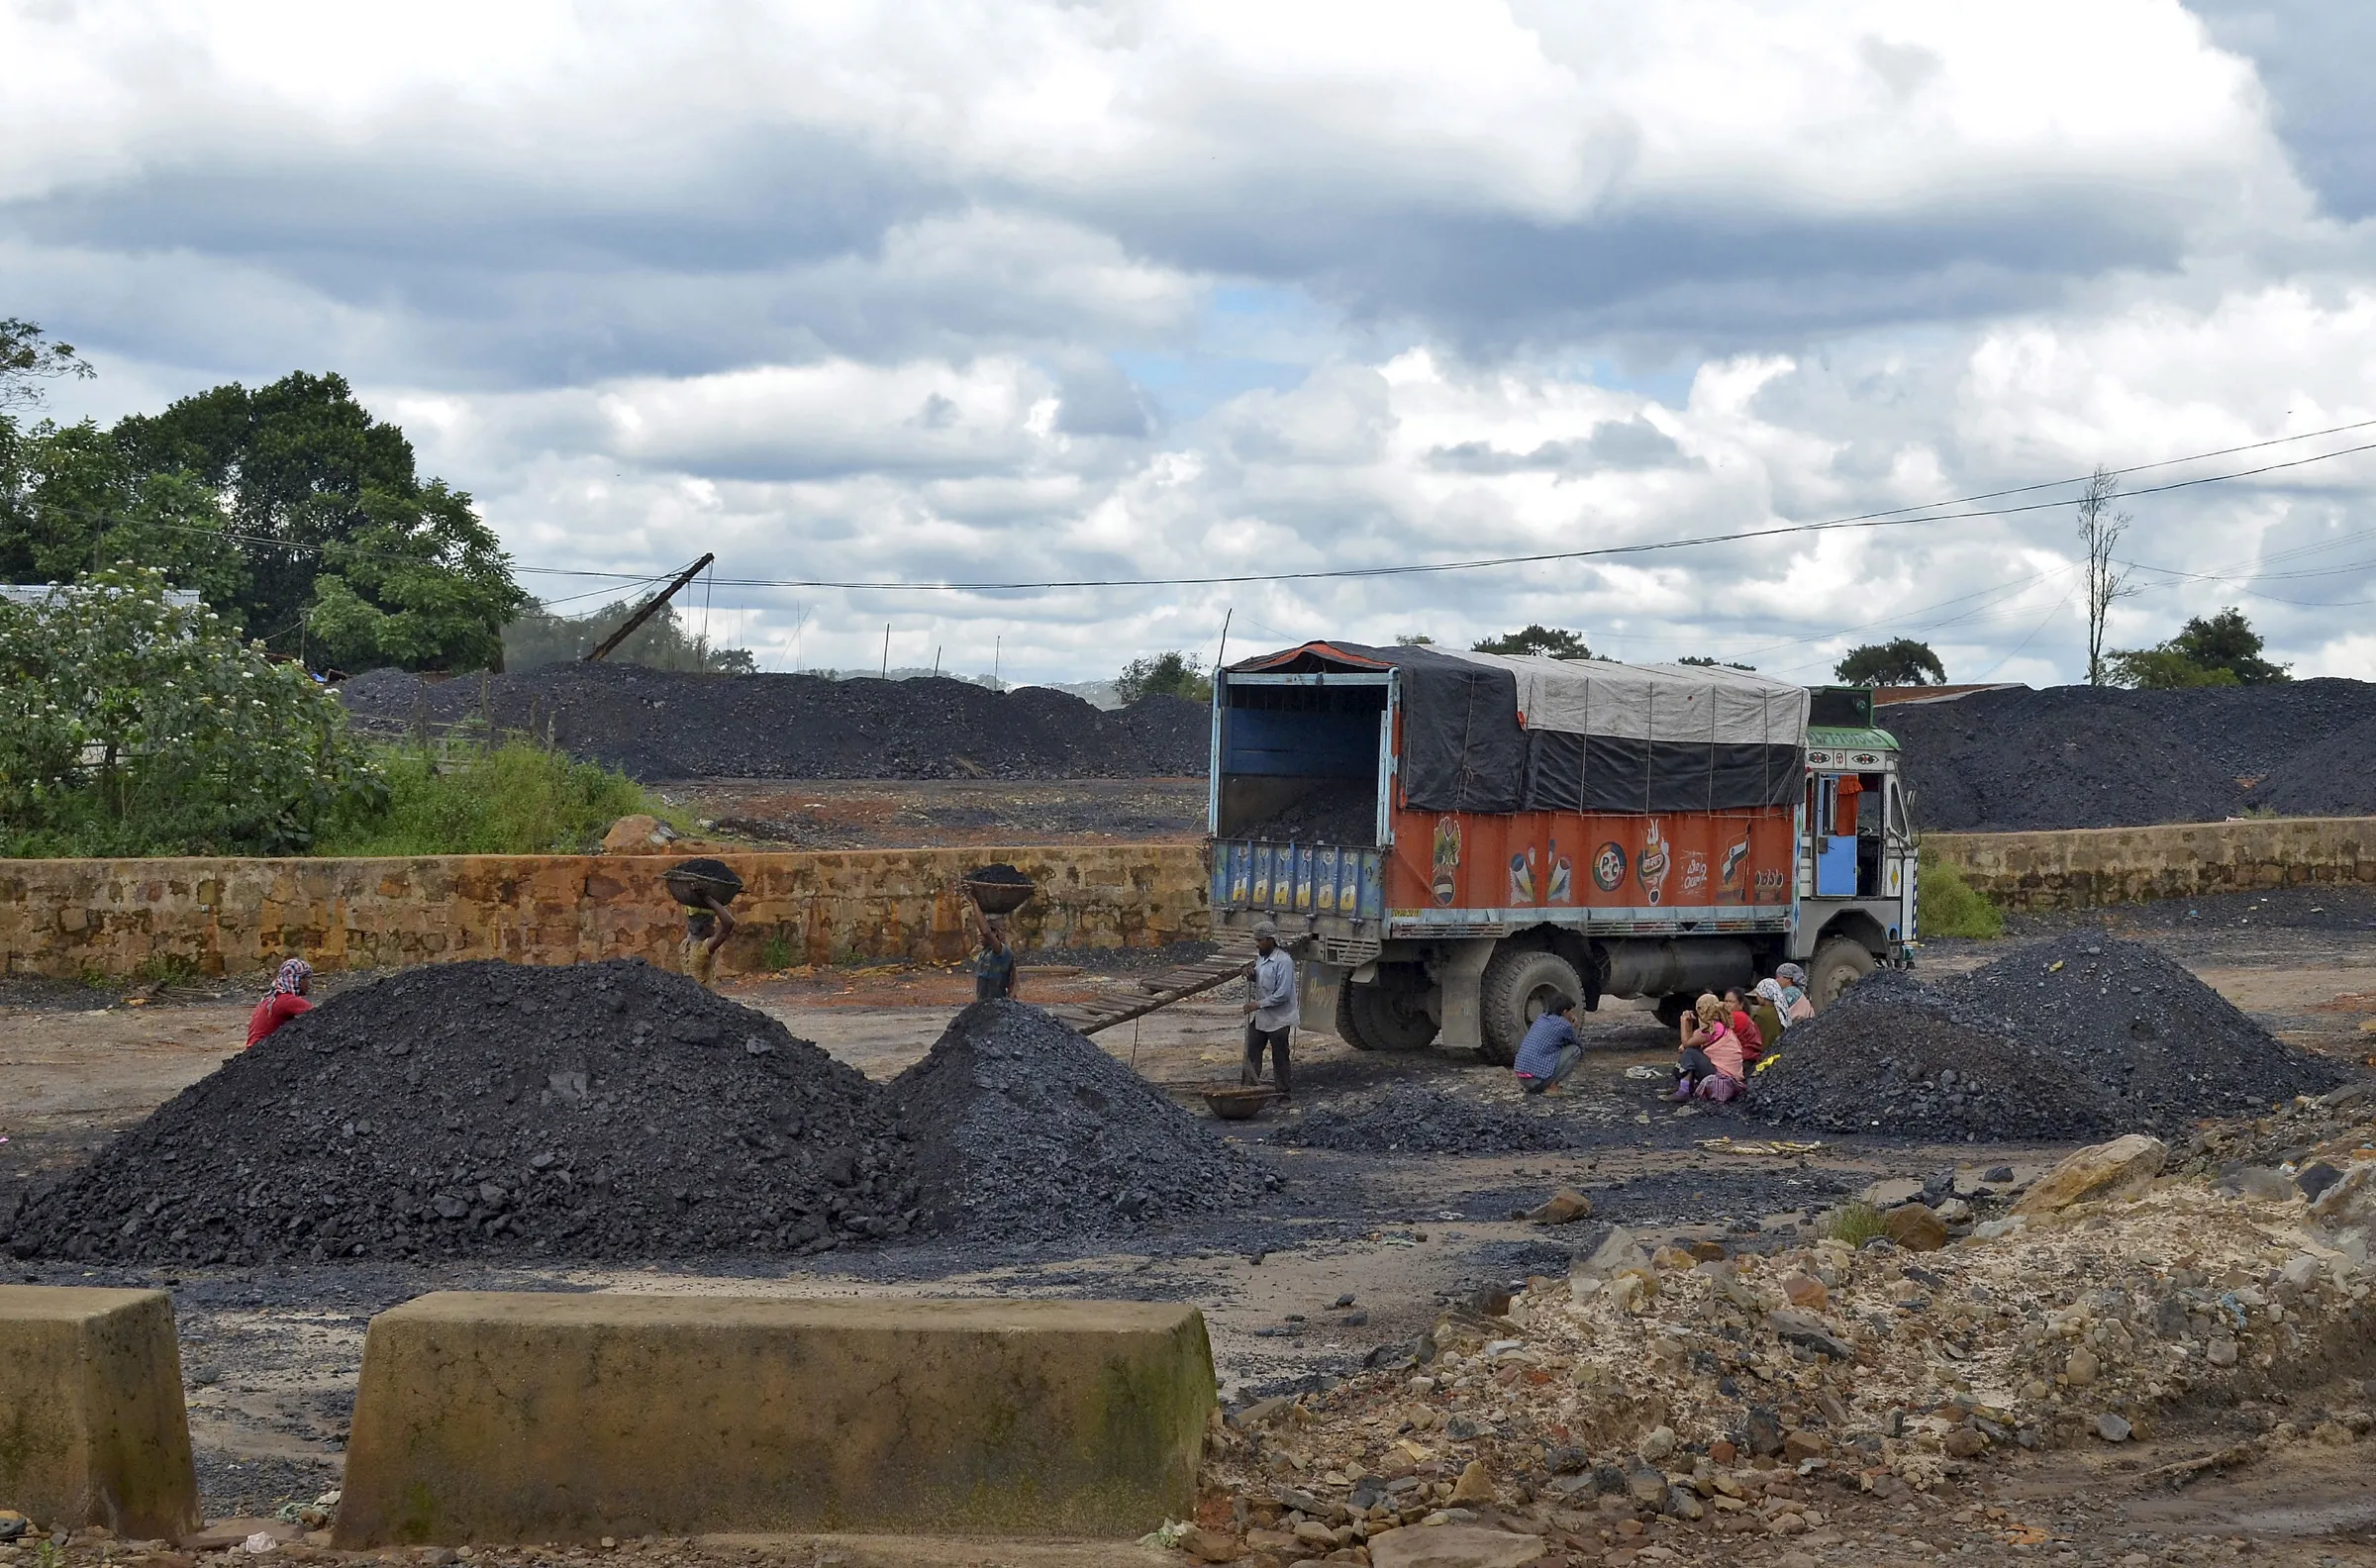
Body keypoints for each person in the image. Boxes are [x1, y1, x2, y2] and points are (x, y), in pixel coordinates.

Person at [1240, 921, 1298, 1103]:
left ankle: (1283, 1094)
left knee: (1280, 1056)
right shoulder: (1262, 957)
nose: (1257, 944)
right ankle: (1248, 1091)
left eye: (1260, 940)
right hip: (1263, 1017)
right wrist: (1251, 974)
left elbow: (1282, 994)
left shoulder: (1284, 961)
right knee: (1251, 1050)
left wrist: (1256, 1005)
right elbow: (1261, 978)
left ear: (1271, 940)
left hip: (1279, 1018)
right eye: (1256, 940)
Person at [1668, 993, 1746, 1103]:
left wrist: (1683, 1021)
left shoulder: (1711, 1029)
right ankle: (1686, 1086)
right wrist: (1689, 1024)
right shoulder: (1719, 1025)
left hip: (1723, 1076)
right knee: (1691, 1051)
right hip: (1730, 1074)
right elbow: (1691, 1041)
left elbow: (1686, 1043)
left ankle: (1684, 1091)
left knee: (1690, 1053)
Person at [1512, 994, 1583, 1096]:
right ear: (1564, 1012)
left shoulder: (1541, 1018)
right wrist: (1574, 1027)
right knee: (1575, 1050)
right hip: (1537, 1081)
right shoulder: (1564, 1025)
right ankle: (1552, 1086)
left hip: (1522, 1078)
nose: (1573, 1014)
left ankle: (1542, 1084)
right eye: (1571, 1011)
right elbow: (1578, 1044)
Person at [680, 883, 738, 989]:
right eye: (712, 925)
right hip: (704, 999)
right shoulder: (702, 950)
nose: (714, 927)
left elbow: (692, 917)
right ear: (705, 927)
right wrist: (707, 898)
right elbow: (729, 923)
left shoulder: (684, 945)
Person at [248, 958, 313, 1047]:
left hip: (253, 1051)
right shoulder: (288, 1001)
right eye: (308, 978)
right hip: (263, 1052)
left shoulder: (270, 999)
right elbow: (318, 1016)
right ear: (298, 979)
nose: (310, 983)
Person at [972, 914, 1021, 1002]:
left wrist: (974, 903)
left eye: (981, 933)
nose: (979, 935)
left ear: (994, 933)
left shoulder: (1002, 952)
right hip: (983, 1006)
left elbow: (986, 932)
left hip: (998, 1005)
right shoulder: (985, 953)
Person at [1723, 986, 1765, 1067]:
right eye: (1726, 1001)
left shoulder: (1737, 1016)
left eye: (1731, 1002)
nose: (1727, 1005)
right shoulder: (1745, 1017)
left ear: (1741, 1004)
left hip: (1741, 1059)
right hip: (1749, 1058)